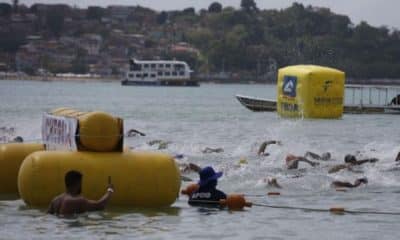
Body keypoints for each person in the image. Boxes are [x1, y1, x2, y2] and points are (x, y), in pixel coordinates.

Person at [47, 170, 114, 216]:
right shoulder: (77, 200)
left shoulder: (55, 200)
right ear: (78, 183)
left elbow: (48, 217)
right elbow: (99, 206)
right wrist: (110, 190)